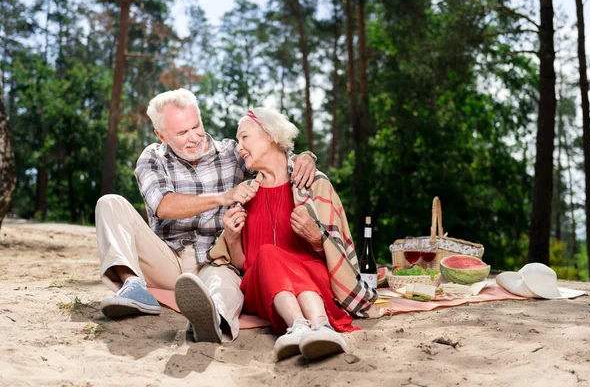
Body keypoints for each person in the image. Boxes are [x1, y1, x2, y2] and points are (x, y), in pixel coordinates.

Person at [95, 89, 316, 343]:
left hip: (217, 261)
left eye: (196, 126)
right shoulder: (153, 158)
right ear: (161, 135)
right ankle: (133, 286)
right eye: (181, 133)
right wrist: (223, 197)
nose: (193, 138)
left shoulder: (232, 153)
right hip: (167, 259)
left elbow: (272, 159)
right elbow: (163, 205)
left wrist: (305, 157)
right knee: (109, 203)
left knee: (222, 288)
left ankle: (212, 321)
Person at [207, 108, 380, 361]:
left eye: (244, 137)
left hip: (315, 281)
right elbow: (244, 265)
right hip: (262, 288)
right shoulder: (244, 195)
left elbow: (337, 254)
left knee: (296, 264)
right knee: (267, 254)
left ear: (271, 136)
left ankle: (320, 327)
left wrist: (316, 238)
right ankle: (299, 324)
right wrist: (232, 239)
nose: (239, 147)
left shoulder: (314, 184)